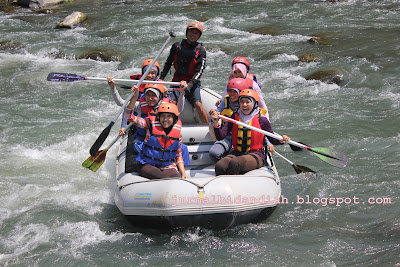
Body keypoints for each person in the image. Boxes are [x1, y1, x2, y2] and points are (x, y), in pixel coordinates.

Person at [209, 89, 290, 175]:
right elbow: (220, 136)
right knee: (220, 166)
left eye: (247, 102)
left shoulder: (262, 120)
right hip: (237, 152)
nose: (244, 105)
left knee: (235, 164)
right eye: (242, 102)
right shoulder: (234, 117)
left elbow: (273, 139)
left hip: (256, 154)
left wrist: (281, 140)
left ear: (255, 103)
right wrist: (216, 124)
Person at [159, 21, 209, 123]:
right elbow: (168, 63)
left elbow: (199, 71)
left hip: (192, 83)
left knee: (198, 105)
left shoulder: (201, 51)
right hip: (177, 81)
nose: (193, 35)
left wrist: (189, 86)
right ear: (187, 32)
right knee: (171, 103)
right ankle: (169, 127)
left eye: (196, 33)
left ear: (199, 36)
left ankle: (209, 129)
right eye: (191, 32)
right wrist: (161, 79)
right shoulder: (177, 46)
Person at [126, 103, 187, 179]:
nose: (165, 119)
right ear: (159, 117)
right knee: (163, 178)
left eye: (169, 116)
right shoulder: (149, 126)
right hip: (146, 164)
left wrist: (183, 173)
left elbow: (178, 156)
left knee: (177, 180)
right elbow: (129, 117)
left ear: (174, 119)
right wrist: (134, 98)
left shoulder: (178, 136)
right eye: (163, 116)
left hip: (167, 166)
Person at [107, 59, 163, 136]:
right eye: (147, 72)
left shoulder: (162, 87)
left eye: (153, 73)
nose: (150, 76)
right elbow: (127, 106)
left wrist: (181, 92)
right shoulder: (137, 87)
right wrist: (123, 126)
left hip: (155, 120)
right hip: (139, 117)